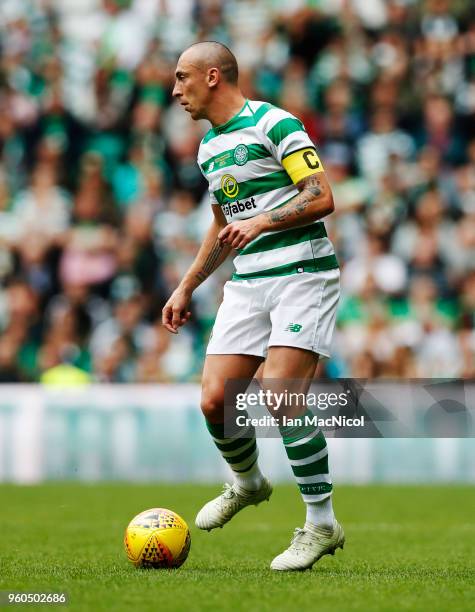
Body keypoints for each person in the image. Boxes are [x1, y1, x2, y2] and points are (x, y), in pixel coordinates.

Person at [162, 41, 344, 571]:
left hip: (302, 273)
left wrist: (263, 220)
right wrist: (187, 285)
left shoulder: (275, 123)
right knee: (216, 401)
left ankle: (321, 523)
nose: (175, 91)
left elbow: (321, 194)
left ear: (213, 76)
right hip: (249, 281)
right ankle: (248, 482)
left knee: (279, 394)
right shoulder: (208, 149)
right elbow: (223, 226)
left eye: (182, 78)